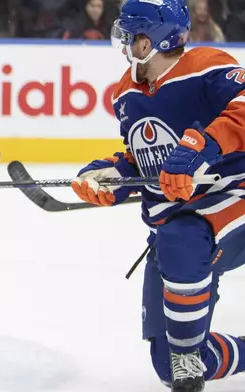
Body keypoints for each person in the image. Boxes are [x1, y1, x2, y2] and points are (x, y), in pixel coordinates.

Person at [71, 0, 245, 391]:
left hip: (233, 195)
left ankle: (188, 354)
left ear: (155, 39)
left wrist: (203, 146)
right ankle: (189, 357)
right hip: (177, 218)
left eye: (133, 37)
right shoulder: (125, 93)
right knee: (170, 365)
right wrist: (112, 175)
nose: (126, 44)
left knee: (179, 238)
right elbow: (146, 160)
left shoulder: (206, 65)